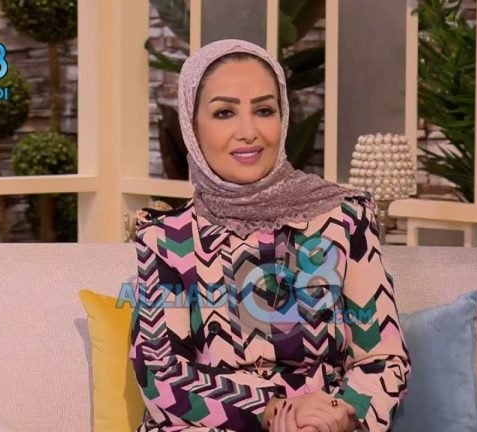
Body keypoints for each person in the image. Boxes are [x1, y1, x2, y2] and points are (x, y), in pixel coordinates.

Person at [129, 39, 410, 432]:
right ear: (192, 128)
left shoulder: (345, 219)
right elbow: (161, 373)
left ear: (283, 116)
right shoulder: (167, 239)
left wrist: (338, 416)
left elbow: (382, 358)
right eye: (224, 112)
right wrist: (271, 409)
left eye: (264, 110)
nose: (248, 132)